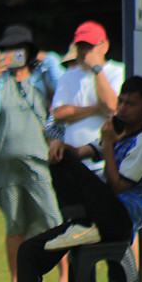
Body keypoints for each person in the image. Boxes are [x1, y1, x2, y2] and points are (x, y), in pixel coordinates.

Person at [0, 76, 142, 282]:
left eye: (130, 104)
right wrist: (60, 146)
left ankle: (81, 224)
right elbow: (81, 152)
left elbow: (118, 186)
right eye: (120, 101)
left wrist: (107, 144)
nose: (121, 108)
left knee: (64, 163)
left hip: (118, 221)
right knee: (29, 250)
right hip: (96, 219)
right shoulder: (118, 134)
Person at [0, 24, 68, 282]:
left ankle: (65, 279)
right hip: (4, 165)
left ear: (28, 52)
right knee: (14, 224)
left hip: (38, 160)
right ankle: (16, 281)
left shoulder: (41, 79)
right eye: (5, 51)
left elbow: (62, 85)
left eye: (17, 50)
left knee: (53, 219)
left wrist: (48, 59)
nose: (11, 55)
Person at [51, 21, 125, 174]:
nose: (85, 52)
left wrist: (97, 70)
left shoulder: (117, 71)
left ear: (104, 46)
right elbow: (58, 114)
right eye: (81, 47)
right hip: (74, 163)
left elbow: (112, 107)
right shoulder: (68, 76)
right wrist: (97, 108)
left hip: (104, 164)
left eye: (90, 46)